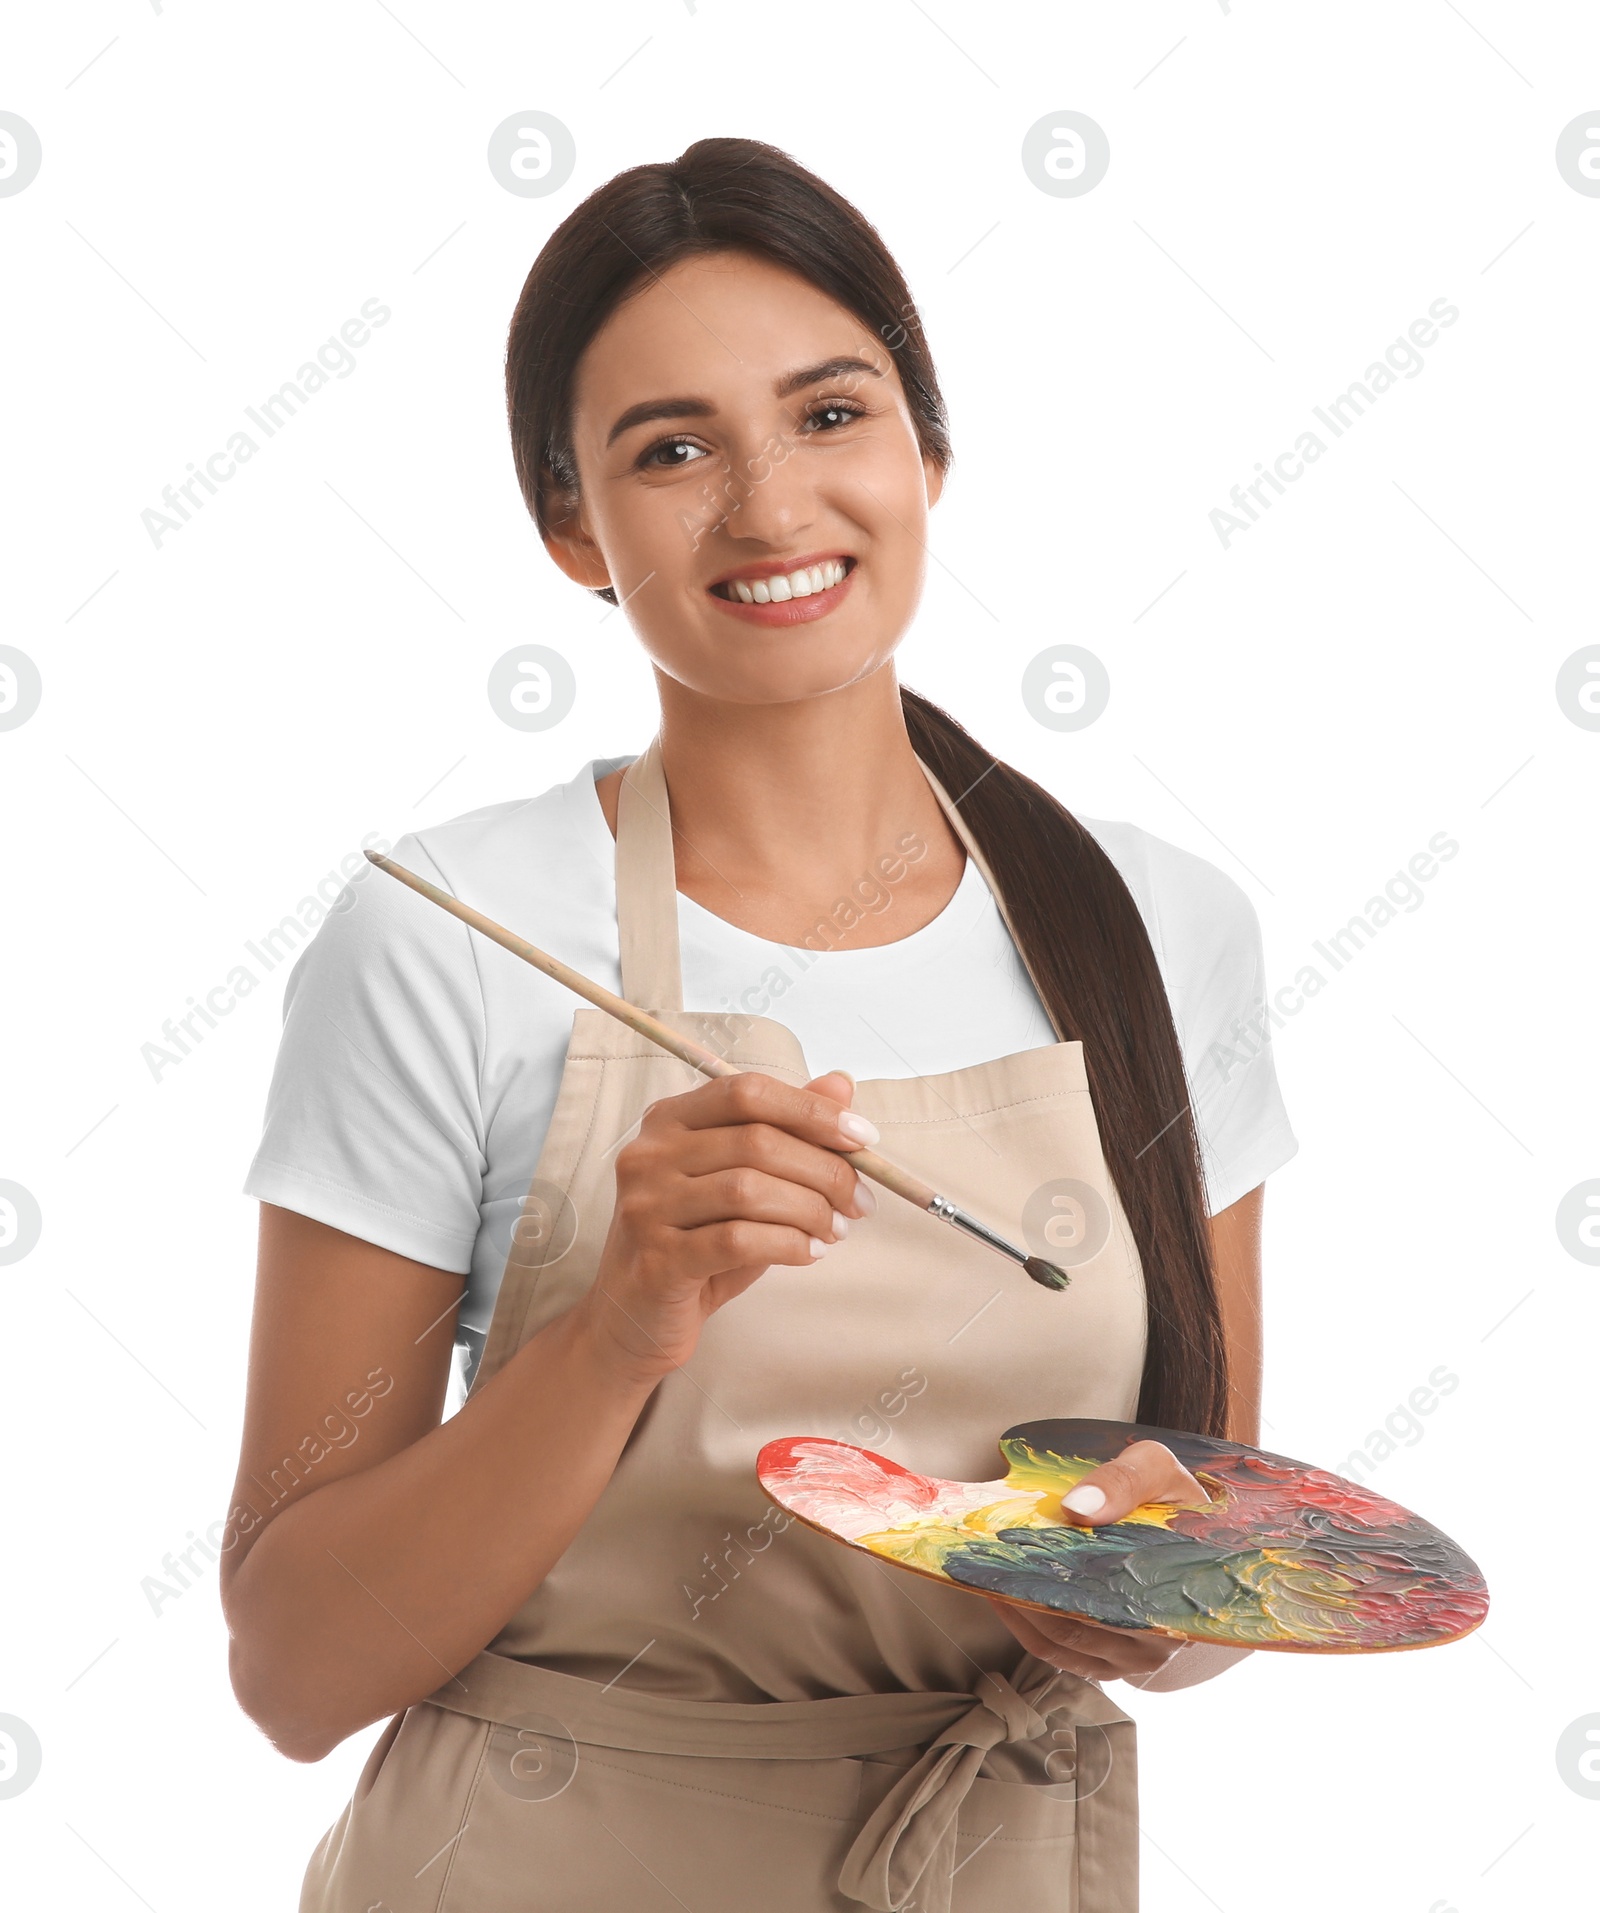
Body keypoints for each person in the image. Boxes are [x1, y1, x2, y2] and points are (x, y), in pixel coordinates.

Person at [221, 137, 1298, 1912]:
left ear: (927, 452)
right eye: (671, 448)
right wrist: (618, 1321)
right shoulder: (448, 939)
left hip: (999, 1856)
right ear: (573, 526)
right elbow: (295, 1670)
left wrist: (1120, 1602)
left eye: (829, 414)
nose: (771, 506)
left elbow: (1227, 1571)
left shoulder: (1165, 928)